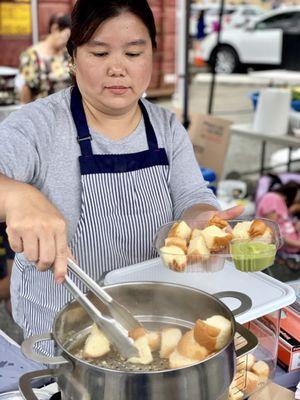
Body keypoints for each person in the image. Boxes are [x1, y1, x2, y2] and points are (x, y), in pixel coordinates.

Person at [0, 0, 243, 355]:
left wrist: (203, 221)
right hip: (59, 330)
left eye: (133, 53)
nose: (117, 69)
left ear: (152, 57)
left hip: (154, 320)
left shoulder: (166, 128)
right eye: (99, 53)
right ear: (73, 57)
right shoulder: (36, 125)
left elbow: (192, 195)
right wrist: (16, 195)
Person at [18, 13, 71, 103]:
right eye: (66, 36)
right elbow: (26, 90)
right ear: (54, 29)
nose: (67, 41)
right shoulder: (32, 55)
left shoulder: (67, 54)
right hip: (41, 113)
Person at [256, 181, 300, 271]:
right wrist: (297, 244)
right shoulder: (273, 198)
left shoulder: (279, 201)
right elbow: (272, 233)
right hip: (286, 250)